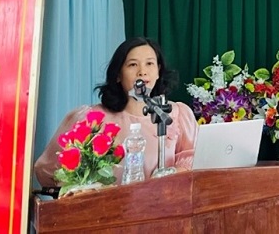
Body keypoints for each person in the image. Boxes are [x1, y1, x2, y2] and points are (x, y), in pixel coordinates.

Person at [34, 37, 198, 186]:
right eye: (133, 64)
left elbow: (194, 162)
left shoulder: (176, 114)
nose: (142, 71)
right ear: (118, 74)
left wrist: (168, 178)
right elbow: (48, 170)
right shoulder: (92, 119)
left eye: (149, 63)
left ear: (158, 71)